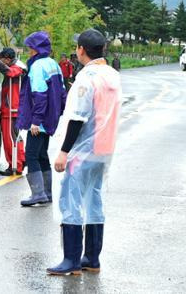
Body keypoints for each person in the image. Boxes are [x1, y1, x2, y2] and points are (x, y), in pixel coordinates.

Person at [46, 29, 122, 276]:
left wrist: (63, 151)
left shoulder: (86, 78)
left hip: (82, 150)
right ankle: (91, 258)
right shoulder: (112, 75)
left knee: (71, 200)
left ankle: (71, 260)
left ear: (81, 49)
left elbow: (78, 118)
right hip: (104, 150)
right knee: (94, 200)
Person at [16, 31, 66, 207]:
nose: (29, 52)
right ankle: (47, 193)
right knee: (42, 154)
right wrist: (56, 113)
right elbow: (62, 91)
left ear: (36, 49)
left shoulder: (37, 67)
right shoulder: (53, 64)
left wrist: (35, 121)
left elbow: (39, 95)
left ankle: (38, 193)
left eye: (30, 48)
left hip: (40, 120)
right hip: (50, 117)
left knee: (31, 154)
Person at [0, 48, 26, 176]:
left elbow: (10, 73)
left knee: (11, 138)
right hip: (8, 108)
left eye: (2, 59)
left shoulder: (18, 67)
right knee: (12, 137)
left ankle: (17, 164)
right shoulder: (16, 65)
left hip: (13, 109)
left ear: (7, 59)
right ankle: (18, 162)